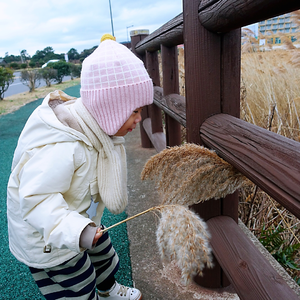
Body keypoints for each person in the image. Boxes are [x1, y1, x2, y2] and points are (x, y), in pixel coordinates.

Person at [6, 34, 153, 300]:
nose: (139, 118)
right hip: (48, 237)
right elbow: (36, 200)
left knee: (105, 256)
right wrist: (78, 231)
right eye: (134, 111)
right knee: (76, 283)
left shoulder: (97, 132)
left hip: (77, 220)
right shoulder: (63, 145)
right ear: (111, 109)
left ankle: (108, 289)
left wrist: (82, 228)